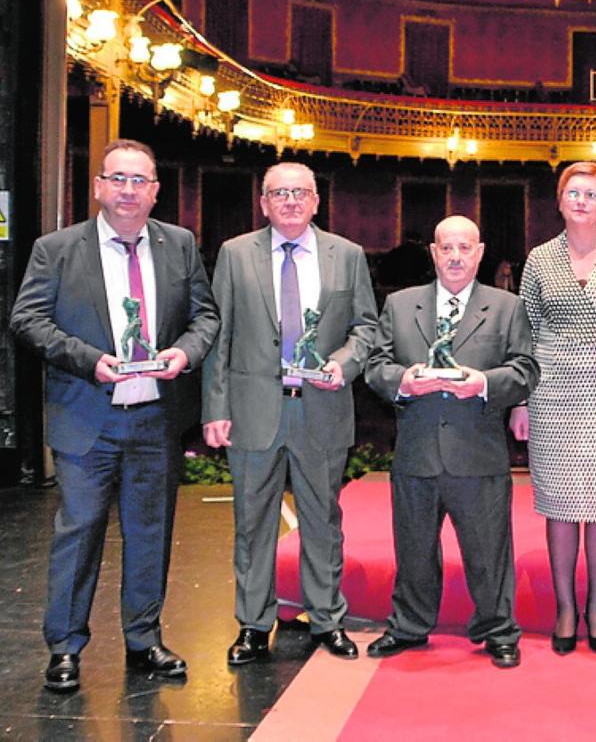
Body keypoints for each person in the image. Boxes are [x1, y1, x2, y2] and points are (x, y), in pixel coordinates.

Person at [10, 139, 220, 692]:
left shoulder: (179, 245)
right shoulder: (56, 249)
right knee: (79, 532)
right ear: (99, 186)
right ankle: (64, 646)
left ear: (155, 191)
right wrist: (88, 360)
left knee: (151, 533)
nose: (129, 190)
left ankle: (144, 639)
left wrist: (186, 353)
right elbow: (27, 320)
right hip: (87, 419)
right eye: (118, 179)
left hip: (155, 419)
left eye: (139, 180)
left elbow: (204, 317)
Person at [202, 162, 378, 666]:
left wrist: (343, 364)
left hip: (321, 408)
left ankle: (327, 619)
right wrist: (215, 408)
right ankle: (254, 625)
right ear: (263, 203)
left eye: (301, 192)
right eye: (279, 193)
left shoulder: (347, 255)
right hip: (252, 410)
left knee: (322, 520)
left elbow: (366, 328)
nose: (291, 201)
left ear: (317, 201)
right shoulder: (235, 254)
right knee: (252, 523)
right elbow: (219, 336)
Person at [364, 216, 538, 669]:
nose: (456, 256)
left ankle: (498, 630)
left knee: (488, 552)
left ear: (479, 253)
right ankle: (408, 626)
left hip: (478, 452)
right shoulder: (400, 305)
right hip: (416, 451)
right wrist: (403, 381)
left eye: (465, 248)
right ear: (434, 253)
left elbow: (525, 369)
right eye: (447, 248)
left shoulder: (508, 307)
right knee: (413, 549)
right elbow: (376, 366)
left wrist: (483, 382)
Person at [509, 161, 596, 655]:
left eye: (591, 194)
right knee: (561, 504)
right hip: (552, 392)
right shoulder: (539, 258)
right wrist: (520, 399)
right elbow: (523, 333)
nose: (581, 201)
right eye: (573, 193)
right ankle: (566, 607)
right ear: (559, 200)